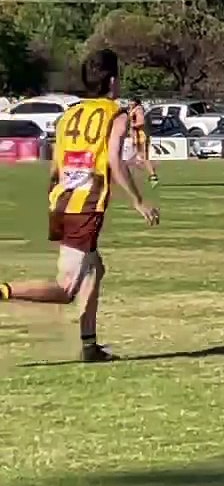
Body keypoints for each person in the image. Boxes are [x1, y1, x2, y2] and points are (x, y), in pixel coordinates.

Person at [0, 49, 159, 362]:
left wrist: (53, 195)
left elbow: (55, 164)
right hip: (84, 207)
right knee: (67, 288)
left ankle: (89, 346)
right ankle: (3, 291)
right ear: (113, 80)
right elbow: (114, 160)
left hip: (61, 201)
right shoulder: (116, 114)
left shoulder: (69, 113)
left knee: (95, 269)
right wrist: (139, 201)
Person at [126, 98, 159, 186]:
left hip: (141, 136)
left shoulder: (138, 110)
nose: (129, 103)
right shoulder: (133, 110)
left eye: (131, 101)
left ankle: (153, 175)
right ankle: (132, 176)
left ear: (135, 102)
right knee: (138, 157)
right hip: (136, 136)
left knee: (144, 157)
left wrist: (132, 125)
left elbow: (141, 122)